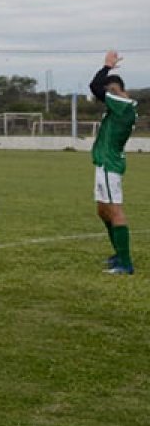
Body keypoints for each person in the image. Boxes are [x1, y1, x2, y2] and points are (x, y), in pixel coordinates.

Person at [90, 50, 138, 275]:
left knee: (115, 210)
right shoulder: (119, 106)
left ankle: (125, 263)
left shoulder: (123, 105)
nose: (106, 94)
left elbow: (95, 86)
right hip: (104, 163)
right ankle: (119, 253)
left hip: (110, 165)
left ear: (119, 90)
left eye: (111, 90)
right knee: (102, 210)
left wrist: (106, 66)